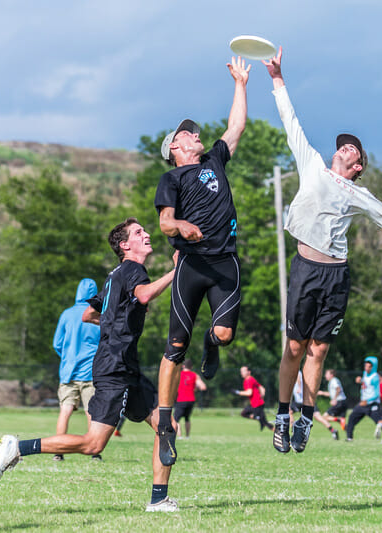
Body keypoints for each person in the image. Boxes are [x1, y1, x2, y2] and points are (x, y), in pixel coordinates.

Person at [263, 48, 382, 454]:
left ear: (357, 167)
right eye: (344, 147)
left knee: (318, 350)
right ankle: (281, 416)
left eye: (353, 150)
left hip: (336, 275)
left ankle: (304, 420)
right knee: (295, 348)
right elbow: (291, 123)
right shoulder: (312, 165)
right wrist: (277, 79)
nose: (346, 149)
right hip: (305, 268)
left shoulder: (359, 193)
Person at [0, 218, 181, 512]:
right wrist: (176, 271)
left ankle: (159, 499)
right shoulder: (132, 269)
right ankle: (18, 448)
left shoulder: (115, 275)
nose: (147, 234)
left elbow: (89, 314)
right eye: (139, 232)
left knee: (165, 426)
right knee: (93, 444)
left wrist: (114, 323)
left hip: (124, 366)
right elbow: (144, 295)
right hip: (114, 367)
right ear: (124, 245)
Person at [153, 56, 251, 466]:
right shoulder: (172, 179)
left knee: (225, 335)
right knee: (175, 346)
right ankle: (163, 422)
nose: (194, 134)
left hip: (224, 262)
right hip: (192, 267)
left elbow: (236, 127)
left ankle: (212, 344)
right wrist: (182, 227)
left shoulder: (213, 160)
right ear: (174, 148)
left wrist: (241, 83)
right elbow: (163, 222)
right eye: (185, 134)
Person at [51, 278, 101, 461]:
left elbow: (57, 343)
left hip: (68, 372)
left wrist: (67, 358)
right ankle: (95, 452)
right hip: (91, 372)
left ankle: (58, 451)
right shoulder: (97, 314)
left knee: (65, 410)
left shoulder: (67, 314)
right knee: (92, 411)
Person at [345, 357, 382, 441]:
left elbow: (377, 394)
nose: (366, 368)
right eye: (365, 366)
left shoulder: (375, 377)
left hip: (372, 403)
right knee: (352, 417)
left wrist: (367, 401)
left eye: (369, 366)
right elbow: (366, 385)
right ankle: (349, 437)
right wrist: (360, 380)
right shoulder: (365, 373)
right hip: (363, 403)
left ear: (373, 367)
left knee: (378, 421)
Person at [291, 371, 339, 440]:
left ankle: (294, 430)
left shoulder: (297, 372)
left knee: (289, 411)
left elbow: (298, 377)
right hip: (306, 400)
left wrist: (299, 387)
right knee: (318, 416)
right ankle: (332, 430)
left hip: (302, 401)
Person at [174, 359, 207, 439]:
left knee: (176, 419)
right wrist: (194, 388)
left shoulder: (178, 374)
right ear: (191, 367)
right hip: (191, 400)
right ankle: (187, 436)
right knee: (187, 418)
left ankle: (180, 436)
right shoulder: (195, 375)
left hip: (181, 399)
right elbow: (203, 387)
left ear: (183, 366)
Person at [235, 366, 273, 431]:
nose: (241, 373)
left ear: (249, 372)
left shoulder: (248, 380)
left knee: (265, 422)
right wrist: (261, 396)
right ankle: (258, 419)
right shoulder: (251, 379)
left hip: (257, 404)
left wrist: (238, 392)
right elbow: (262, 388)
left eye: (243, 371)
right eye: (241, 371)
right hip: (256, 404)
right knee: (244, 413)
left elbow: (249, 393)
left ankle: (278, 433)